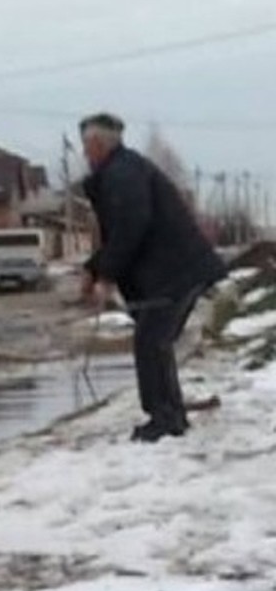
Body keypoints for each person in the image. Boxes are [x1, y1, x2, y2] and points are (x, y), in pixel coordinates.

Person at [79, 113, 227, 443]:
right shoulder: (123, 170)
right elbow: (123, 232)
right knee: (155, 342)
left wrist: (103, 271)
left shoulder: (123, 173)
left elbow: (131, 227)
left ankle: (165, 419)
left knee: (151, 342)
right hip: (172, 271)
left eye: (87, 146)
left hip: (173, 272)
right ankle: (169, 415)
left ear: (98, 144)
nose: (85, 154)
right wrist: (97, 267)